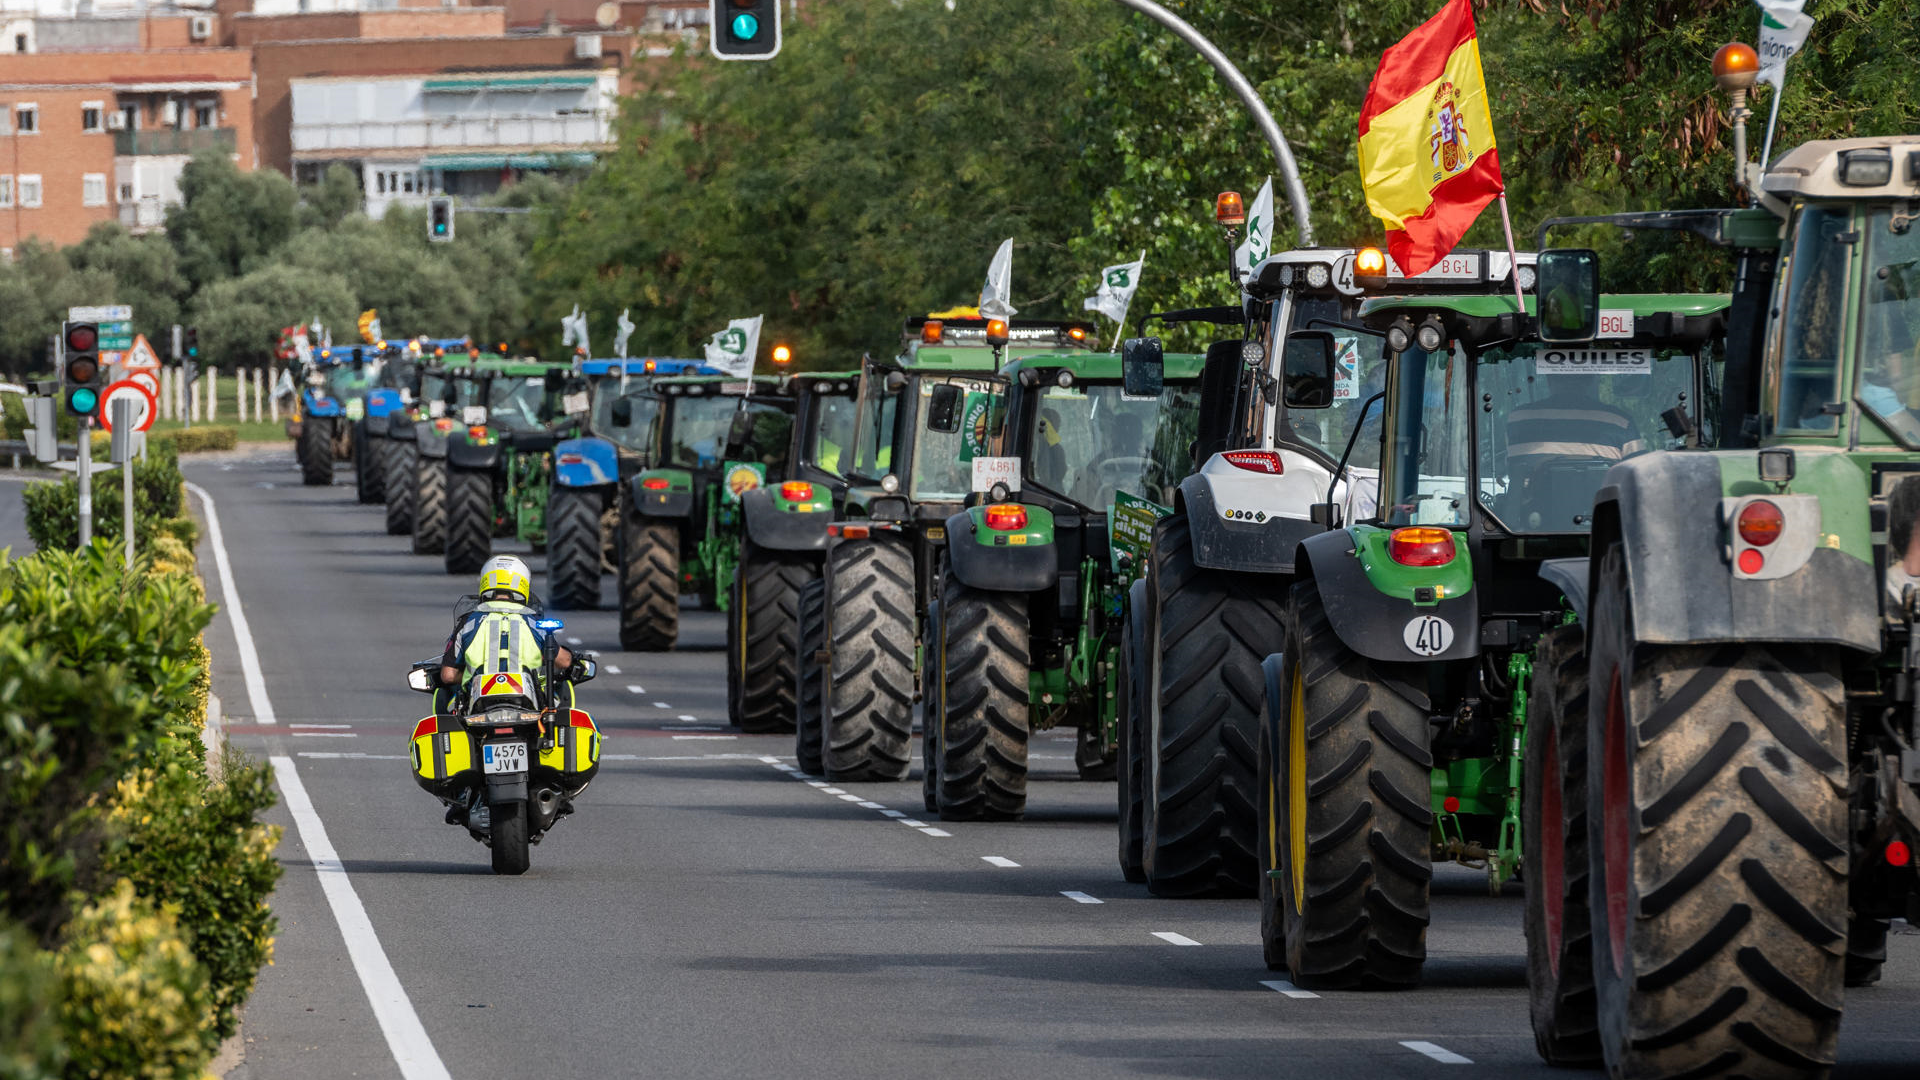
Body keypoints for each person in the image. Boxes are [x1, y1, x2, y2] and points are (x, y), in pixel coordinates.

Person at [435, 555, 574, 717]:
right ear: (523, 584)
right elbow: (564, 661)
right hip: (527, 704)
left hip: (479, 706)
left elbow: (448, 675)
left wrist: (469, 676)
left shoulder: (468, 622)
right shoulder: (533, 622)